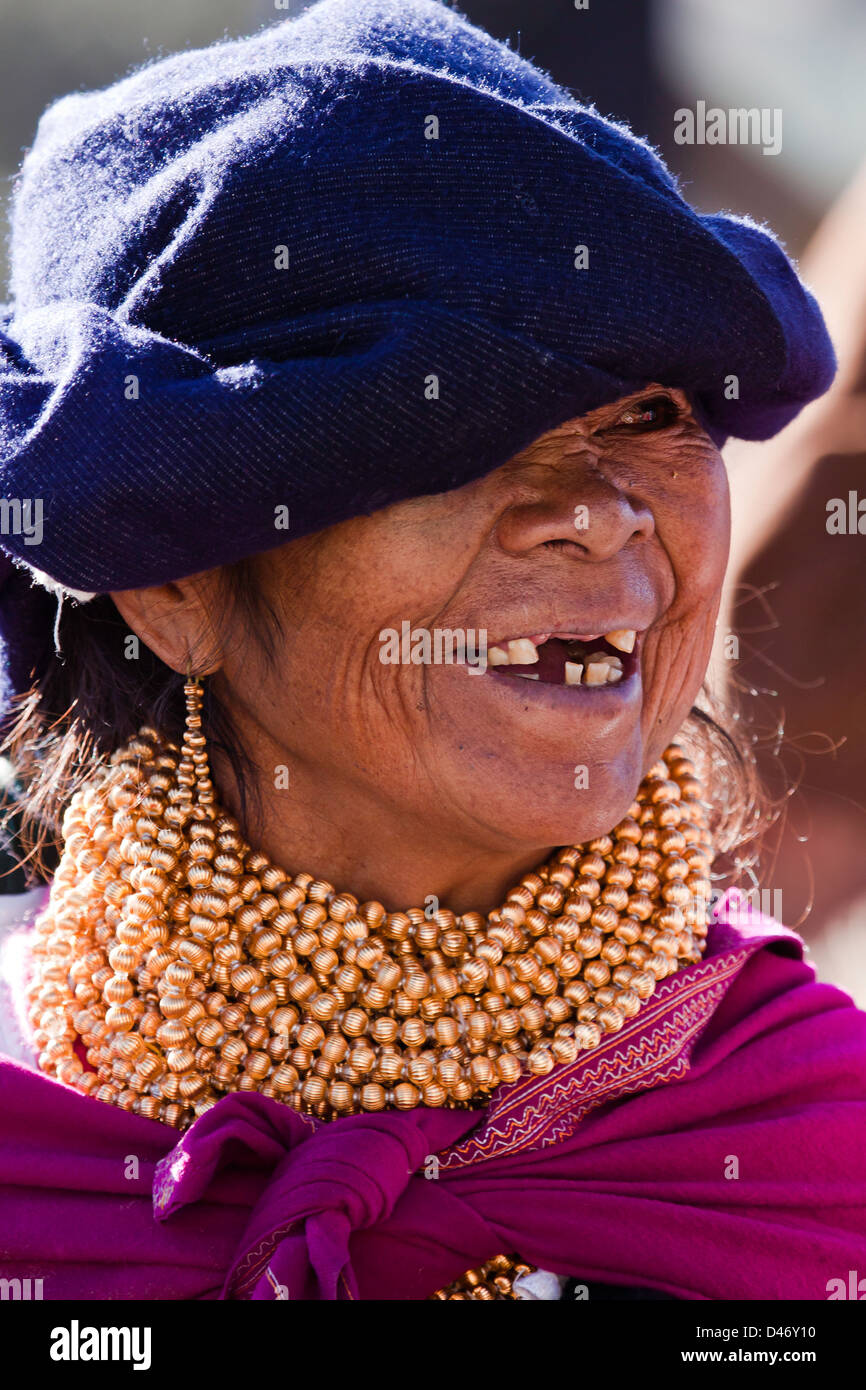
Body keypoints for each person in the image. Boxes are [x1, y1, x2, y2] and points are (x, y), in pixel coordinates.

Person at [0, 0, 863, 1302]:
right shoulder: (31, 1146)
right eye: (452, 426)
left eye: (646, 412)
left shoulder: (807, 1147)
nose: (596, 509)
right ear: (175, 578)